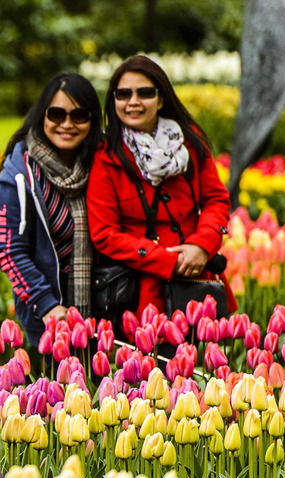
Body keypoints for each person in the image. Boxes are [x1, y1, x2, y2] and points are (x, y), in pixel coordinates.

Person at [86, 55, 235, 317]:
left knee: (206, 356)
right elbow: (104, 234)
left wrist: (201, 245)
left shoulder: (189, 143)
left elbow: (215, 200)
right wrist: (166, 259)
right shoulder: (106, 156)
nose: (133, 102)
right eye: (123, 94)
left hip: (198, 276)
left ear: (161, 98)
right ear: (114, 101)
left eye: (144, 93)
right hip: (141, 288)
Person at [0, 73, 103, 344]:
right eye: (57, 114)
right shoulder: (18, 176)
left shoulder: (104, 165)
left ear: (93, 119)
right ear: (42, 115)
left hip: (104, 313)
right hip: (48, 319)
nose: (67, 124)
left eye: (79, 116)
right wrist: (47, 305)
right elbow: (9, 251)